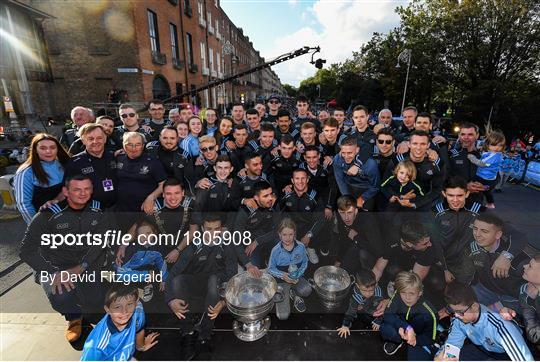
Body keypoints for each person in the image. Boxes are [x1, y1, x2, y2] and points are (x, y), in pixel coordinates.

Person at [19, 175, 110, 342]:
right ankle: (73, 318)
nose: (82, 194)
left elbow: (100, 242)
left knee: (95, 298)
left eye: (87, 189)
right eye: (76, 189)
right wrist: (53, 272)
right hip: (55, 266)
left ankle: (87, 296)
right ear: (66, 192)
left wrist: (82, 267)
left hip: (82, 264)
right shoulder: (47, 215)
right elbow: (26, 250)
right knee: (62, 295)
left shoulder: (97, 210)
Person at [165, 215, 238, 360]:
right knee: (178, 280)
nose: (213, 233)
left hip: (216, 287)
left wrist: (224, 302)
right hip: (197, 285)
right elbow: (174, 273)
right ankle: (188, 332)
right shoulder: (195, 245)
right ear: (203, 229)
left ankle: (205, 334)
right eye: (209, 229)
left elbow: (232, 277)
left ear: (221, 229)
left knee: (213, 279)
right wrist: (170, 300)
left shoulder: (227, 245)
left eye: (217, 229)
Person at [435, 281, 533, 361]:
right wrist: (444, 357)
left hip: (508, 353)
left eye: (460, 312)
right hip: (482, 349)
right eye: (453, 311)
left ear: (474, 306)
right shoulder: (459, 319)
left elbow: (524, 359)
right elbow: (452, 345)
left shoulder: (500, 327)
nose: (456, 316)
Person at [464, 213, 528, 311]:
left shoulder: (519, 260)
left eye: (484, 231)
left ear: (498, 234)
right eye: (475, 229)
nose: (477, 234)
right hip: (485, 289)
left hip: (512, 298)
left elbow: (530, 293)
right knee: (461, 303)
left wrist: (506, 256)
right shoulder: (471, 248)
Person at [81, 285, 159, 361]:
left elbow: (139, 328)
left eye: (129, 304)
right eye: (117, 307)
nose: (124, 311)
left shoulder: (138, 309)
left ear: (136, 302)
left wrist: (141, 346)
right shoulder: (95, 346)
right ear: (107, 309)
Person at [432, 176, 484, 285]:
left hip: (466, 261)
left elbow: (505, 231)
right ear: (444, 194)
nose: (455, 200)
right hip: (442, 259)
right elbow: (434, 242)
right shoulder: (436, 212)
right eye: (450, 195)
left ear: (467, 194)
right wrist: (444, 269)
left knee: (461, 290)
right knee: (436, 284)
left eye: (460, 195)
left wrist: (506, 255)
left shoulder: (479, 211)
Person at [380, 271, 439, 360]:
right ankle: (397, 341)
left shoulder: (430, 312)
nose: (407, 297)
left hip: (417, 336)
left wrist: (415, 340)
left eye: (411, 293)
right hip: (401, 326)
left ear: (419, 293)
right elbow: (388, 314)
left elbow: (431, 337)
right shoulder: (398, 294)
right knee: (385, 328)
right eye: (403, 293)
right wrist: (406, 327)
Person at [14, 133, 70, 224]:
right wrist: (37, 227)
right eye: (43, 148)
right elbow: (24, 204)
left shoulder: (63, 164)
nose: (48, 151)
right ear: (35, 150)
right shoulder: (25, 172)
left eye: (52, 147)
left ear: (57, 149)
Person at [115, 132, 167, 224]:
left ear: (143, 146)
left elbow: (163, 184)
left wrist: (151, 197)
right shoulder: (118, 158)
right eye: (129, 144)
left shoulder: (152, 162)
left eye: (138, 144)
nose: (134, 148)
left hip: (144, 210)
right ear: (123, 145)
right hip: (121, 210)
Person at [64, 123, 118, 209]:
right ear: (83, 141)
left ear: (105, 139)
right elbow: (68, 189)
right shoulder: (75, 162)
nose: (95, 142)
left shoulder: (115, 156)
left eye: (99, 138)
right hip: (91, 211)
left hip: (117, 208)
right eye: (90, 139)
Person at [333, 195, 387, 281]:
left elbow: (379, 251)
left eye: (350, 213)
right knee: (340, 273)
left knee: (362, 253)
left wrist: (356, 238)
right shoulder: (341, 217)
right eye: (342, 213)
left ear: (356, 211)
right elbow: (344, 239)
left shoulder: (368, 220)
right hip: (357, 244)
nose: (346, 218)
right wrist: (339, 260)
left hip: (379, 252)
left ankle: (371, 279)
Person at [114, 220, 167, 303]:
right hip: (126, 269)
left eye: (148, 233)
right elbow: (121, 274)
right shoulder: (132, 248)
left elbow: (162, 264)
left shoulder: (159, 247)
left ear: (154, 233)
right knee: (115, 277)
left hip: (143, 268)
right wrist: (146, 275)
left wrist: (164, 280)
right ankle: (137, 288)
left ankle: (145, 285)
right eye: (141, 235)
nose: (145, 237)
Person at [279, 168, 325, 265]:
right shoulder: (286, 194)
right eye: (297, 178)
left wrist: (309, 235)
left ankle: (310, 248)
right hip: (292, 227)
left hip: (308, 227)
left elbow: (320, 220)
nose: (300, 182)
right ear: (292, 180)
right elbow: (278, 214)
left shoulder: (315, 196)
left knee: (321, 229)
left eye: (303, 178)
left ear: (307, 179)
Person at [268, 218, 312, 317]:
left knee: (307, 290)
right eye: (284, 235)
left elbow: (305, 262)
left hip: (297, 277)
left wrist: (298, 275)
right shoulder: (275, 250)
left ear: (295, 234)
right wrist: (283, 275)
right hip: (281, 280)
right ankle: (290, 292)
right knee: (283, 315)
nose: (287, 238)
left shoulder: (301, 247)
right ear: (279, 234)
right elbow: (270, 268)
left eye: (290, 234)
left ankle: (295, 295)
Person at [333, 136, 380, 211]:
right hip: (349, 187)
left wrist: (363, 198)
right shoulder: (337, 159)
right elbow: (340, 181)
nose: (346, 156)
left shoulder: (370, 164)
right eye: (343, 153)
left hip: (366, 190)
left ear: (357, 150)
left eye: (349, 153)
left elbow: (375, 186)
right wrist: (347, 197)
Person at [337, 269, 386, 338]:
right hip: (364, 308)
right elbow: (351, 311)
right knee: (351, 307)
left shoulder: (378, 294)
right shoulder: (355, 295)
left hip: (374, 309)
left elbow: (383, 309)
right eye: (364, 290)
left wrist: (379, 320)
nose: (368, 293)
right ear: (357, 286)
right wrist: (345, 325)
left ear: (376, 284)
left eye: (371, 290)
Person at [467, 130, 506, 208]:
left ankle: (486, 203)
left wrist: (472, 157)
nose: (497, 148)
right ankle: (490, 203)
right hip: (488, 177)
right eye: (494, 145)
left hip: (484, 176)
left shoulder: (494, 155)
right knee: (485, 191)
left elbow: (481, 163)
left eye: (500, 145)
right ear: (487, 144)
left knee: (476, 189)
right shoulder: (494, 154)